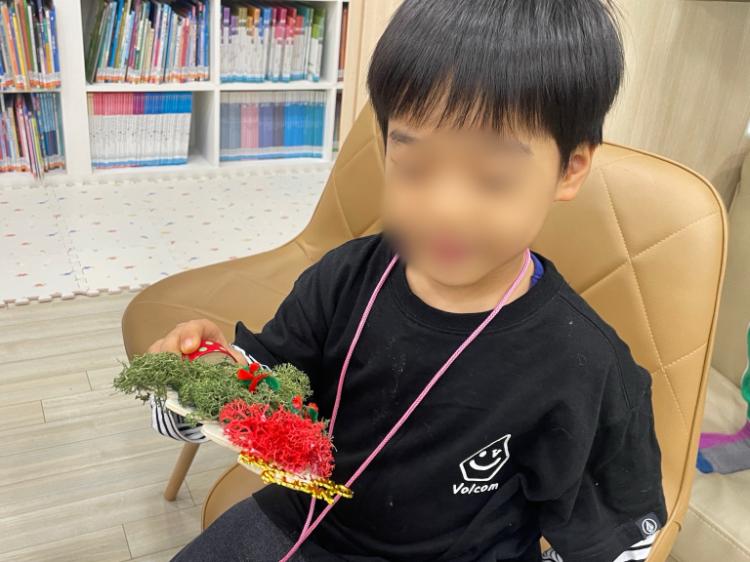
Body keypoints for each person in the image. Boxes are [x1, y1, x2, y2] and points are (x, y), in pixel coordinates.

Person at [155, 1, 668, 560]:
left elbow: (616, 539)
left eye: (493, 177)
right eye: (415, 167)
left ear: (570, 169)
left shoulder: (584, 365)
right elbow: (260, 401)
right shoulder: (343, 281)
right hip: (302, 521)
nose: (445, 209)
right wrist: (195, 380)